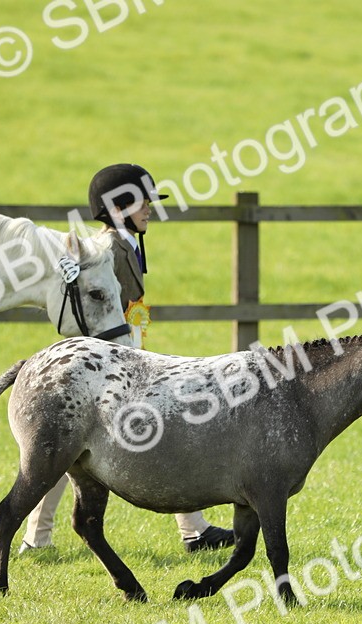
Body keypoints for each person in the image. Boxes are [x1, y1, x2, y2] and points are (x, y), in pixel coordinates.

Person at [19, 163, 235, 555]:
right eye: (142, 203)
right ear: (117, 207)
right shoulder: (106, 249)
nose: (150, 209)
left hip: (131, 356)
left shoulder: (128, 246)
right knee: (67, 452)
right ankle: (37, 536)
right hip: (109, 366)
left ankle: (194, 528)